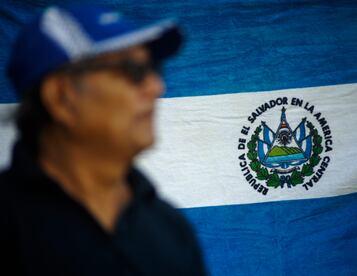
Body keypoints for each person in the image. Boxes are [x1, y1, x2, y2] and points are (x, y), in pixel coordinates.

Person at [0, 4, 206, 276]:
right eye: (133, 70)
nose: (157, 87)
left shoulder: (171, 228)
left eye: (155, 68)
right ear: (61, 97)